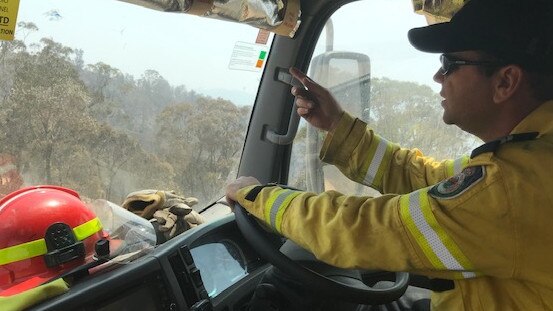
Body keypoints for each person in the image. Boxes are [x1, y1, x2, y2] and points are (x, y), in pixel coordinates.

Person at [226, 0, 553, 309]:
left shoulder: (515, 186)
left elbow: (364, 230)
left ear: (506, 81)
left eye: (450, 63)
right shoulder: (530, 157)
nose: (438, 77)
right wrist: (339, 126)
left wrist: (258, 196)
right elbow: (426, 179)